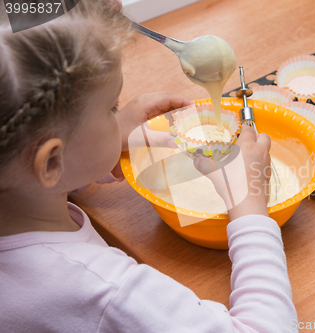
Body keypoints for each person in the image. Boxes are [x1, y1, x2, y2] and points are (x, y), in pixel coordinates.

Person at [0, 1, 297, 332]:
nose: (118, 114)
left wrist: (98, 148)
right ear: (51, 161)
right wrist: (249, 205)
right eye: (111, 107)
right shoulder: (106, 290)